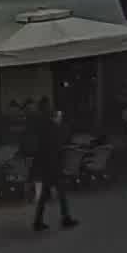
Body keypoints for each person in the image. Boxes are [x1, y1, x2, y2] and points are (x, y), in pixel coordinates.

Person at [29, 98, 77, 232]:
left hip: (46, 164)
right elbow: (56, 143)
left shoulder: (41, 123)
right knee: (60, 191)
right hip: (52, 163)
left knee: (46, 194)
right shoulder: (49, 124)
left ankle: (38, 221)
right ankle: (64, 218)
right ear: (47, 108)